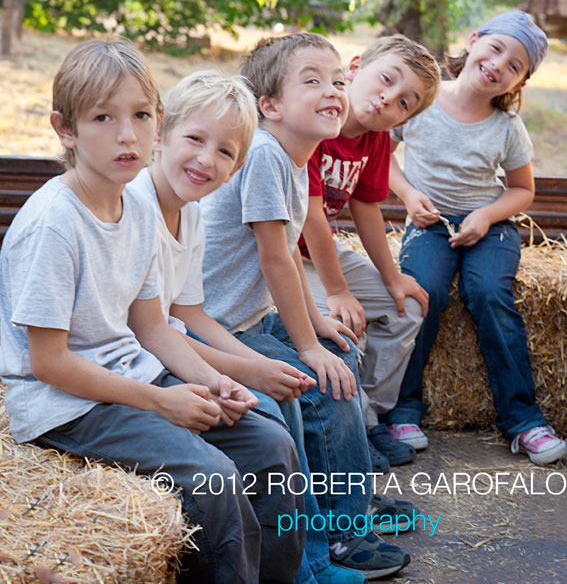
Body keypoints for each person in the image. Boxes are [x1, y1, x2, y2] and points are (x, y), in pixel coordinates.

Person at [0, 38, 305, 584]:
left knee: (269, 443)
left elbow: (152, 326)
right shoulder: (54, 223)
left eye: (140, 115)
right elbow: (49, 363)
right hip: (67, 404)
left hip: (131, 374)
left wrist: (216, 382)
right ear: (64, 129)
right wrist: (162, 402)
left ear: (158, 124)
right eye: (102, 117)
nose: (126, 134)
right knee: (214, 477)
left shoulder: (132, 205)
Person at [129, 69, 364, 584]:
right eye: (195, 140)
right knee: (274, 412)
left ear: (235, 165)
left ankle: (319, 547)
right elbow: (154, 330)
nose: (206, 161)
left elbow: (189, 314)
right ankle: (307, 564)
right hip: (143, 361)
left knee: (286, 391)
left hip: (173, 342)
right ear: (162, 133)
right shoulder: (137, 212)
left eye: (224, 153)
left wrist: (256, 365)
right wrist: (244, 371)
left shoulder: (187, 214)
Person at [201, 33, 413, 580]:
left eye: (338, 81)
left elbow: (288, 252)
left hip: (244, 316)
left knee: (339, 363)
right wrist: (305, 346)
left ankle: (351, 513)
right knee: (317, 384)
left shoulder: (297, 157)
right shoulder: (268, 155)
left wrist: (318, 325)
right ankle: (321, 548)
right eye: (313, 81)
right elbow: (274, 258)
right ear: (269, 105)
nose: (334, 91)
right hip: (214, 327)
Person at [383, 11, 567, 467]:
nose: (499, 65)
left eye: (515, 66)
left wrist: (485, 216)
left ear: (516, 84)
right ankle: (403, 410)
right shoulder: (420, 103)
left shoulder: (506, 128)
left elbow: (523, 190)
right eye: (497, 48)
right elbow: (379, 158)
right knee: (420, 294)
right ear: (474, 40)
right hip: (430, 222)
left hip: (491, 227)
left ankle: (523, 420)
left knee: (486, 292)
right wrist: (407, 194)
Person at [299, 35, 440, 471]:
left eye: (404, 102)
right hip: (279, 255)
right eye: (386, 80)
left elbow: (365, 206)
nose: (388, 98)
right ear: (356, 67)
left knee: (407, 306)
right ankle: (347, 423)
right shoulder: (317, 122)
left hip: (320, 255)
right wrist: (339, 291)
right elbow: (311, 215)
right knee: (337, 326)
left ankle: (369, 416)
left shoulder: (374, 141)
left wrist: (392, 276)